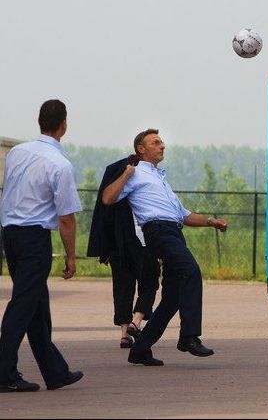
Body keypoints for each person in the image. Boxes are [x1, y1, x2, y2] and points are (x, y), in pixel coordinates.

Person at [102, 129, 228, 366]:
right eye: (156, 143)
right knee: (191, 270)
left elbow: (184, 215)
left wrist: (212, 221)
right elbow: (108, 198)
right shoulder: (136, 173)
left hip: (173, 231)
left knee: (173, 296)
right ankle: (189, 337)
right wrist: (126, 174)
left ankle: (140, 349)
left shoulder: (160, 179)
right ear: (141, 149)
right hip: (158, 231)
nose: (162, 146)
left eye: (161, 142)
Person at [0, 99, 84, 392]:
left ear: (39, 121)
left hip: (10, 234)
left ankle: (54, 372)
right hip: (34, 238)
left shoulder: (17, 153)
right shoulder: (60, 164)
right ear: (64, 125)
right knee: (23, 305)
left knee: (36, 304)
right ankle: (4, 373)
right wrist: (71, 256)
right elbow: (66, 218)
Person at [87, 155, 161, 349]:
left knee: (122, 289)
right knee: (149, 282)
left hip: (120, 245)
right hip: (142, 243)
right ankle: (136, 322)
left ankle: (124, 334)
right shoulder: (135, 183)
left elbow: (104, 217)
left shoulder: (118, 185)